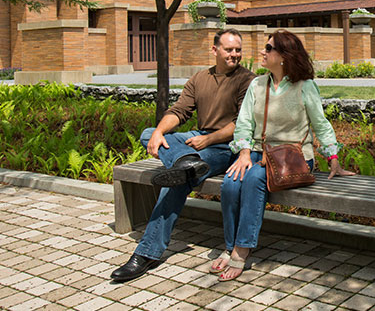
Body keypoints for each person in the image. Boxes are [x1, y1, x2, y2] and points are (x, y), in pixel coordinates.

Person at [111, 28, 256, 282]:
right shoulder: (199, 78)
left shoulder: (247, 80)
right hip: (197, 143)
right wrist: (159, 132)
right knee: (148, 133)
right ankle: (184, 162)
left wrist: (208, 139)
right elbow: (178, 111)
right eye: (229, 49)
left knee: (179, 179)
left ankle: (146, 254)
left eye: (238, 50)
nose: (235, 54)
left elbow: (242, 124)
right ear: (215, 50)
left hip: (226, 147)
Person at [211, 29, 354, 281]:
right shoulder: (257, 84)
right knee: (231, 183)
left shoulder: (305, 86)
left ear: (284, 56)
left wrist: (333, 159)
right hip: (256, 152)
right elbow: (244, 123)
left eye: (268, 48)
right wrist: (244, 153)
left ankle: (242, 250)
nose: (262, 52)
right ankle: (229, 245)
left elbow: (320, 124)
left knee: (255, 177)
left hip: (294, 156)